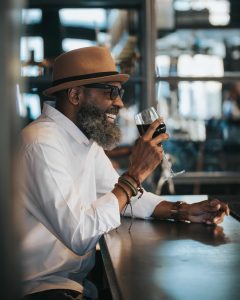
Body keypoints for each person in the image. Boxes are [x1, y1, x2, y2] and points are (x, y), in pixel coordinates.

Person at [20, 46, 229, 300]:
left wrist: (183, 210)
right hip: (39, 290)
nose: (119, 102)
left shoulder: (82, 141)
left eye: (119, 92)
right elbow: (80, 235)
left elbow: (126, 195)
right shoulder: (41, 143)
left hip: (75, 282)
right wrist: (134, 174)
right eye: (110, 91)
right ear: (75, 95)